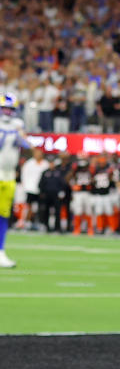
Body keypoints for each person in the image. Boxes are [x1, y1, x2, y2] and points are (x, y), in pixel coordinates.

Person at [0, 94, 33, 267]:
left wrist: (20, 135)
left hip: (8, 175)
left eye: (10, 109)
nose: (7, 112)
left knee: (4, 215)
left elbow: (28, 147)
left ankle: (0, 251)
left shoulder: (17, 125)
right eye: (4, 108)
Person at [18, 148, 49, 230]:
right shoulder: (29, 163)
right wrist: (25, 187)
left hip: (41, 189)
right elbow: (24, 175)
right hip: (30, 188)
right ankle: (26, 223)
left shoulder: (45, 164)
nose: (38, 155)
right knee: (28, 207)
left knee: (41, 207)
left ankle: (39, 223)